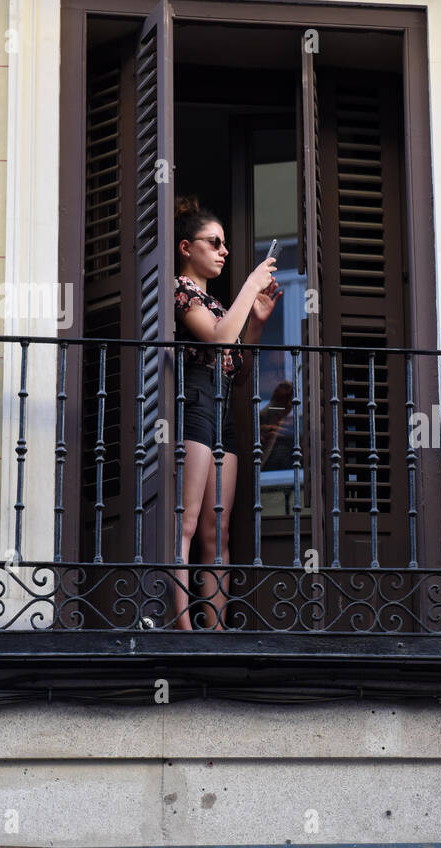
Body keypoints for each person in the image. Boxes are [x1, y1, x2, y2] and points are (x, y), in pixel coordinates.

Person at [170, 195, 281, 629]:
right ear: (186, 248)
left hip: (222, 408)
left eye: (224, 244)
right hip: (195, 403)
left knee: (219, 532)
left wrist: (255, 323)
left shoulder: (216, 304)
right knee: (188, 523)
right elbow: (216, 341)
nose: (223, 251)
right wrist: (251, 284)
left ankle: (215, 629)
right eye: (213, 243)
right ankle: (182, 629)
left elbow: (239, 365)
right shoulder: (183, 291)